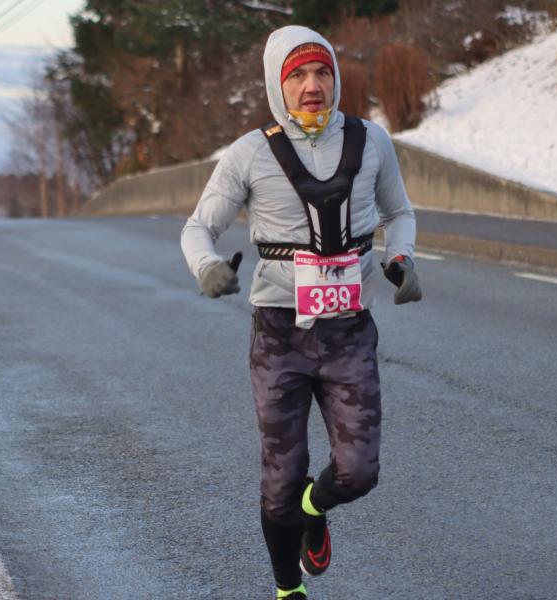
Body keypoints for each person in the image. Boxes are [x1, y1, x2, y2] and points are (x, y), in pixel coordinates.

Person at [180, 26, 421, 600]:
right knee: (279, 481)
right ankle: (289, 589)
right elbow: (198, 228)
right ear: (275, 84)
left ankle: (317, 508)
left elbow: (401, 212)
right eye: (297, 76)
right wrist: (208, 267)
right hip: (279, 334)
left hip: (349, 331)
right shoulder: (248, 154)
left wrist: (402, 257)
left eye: (322, 73)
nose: (312, 86)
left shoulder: (371, 141)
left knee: (359, 471)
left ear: (335, 77)